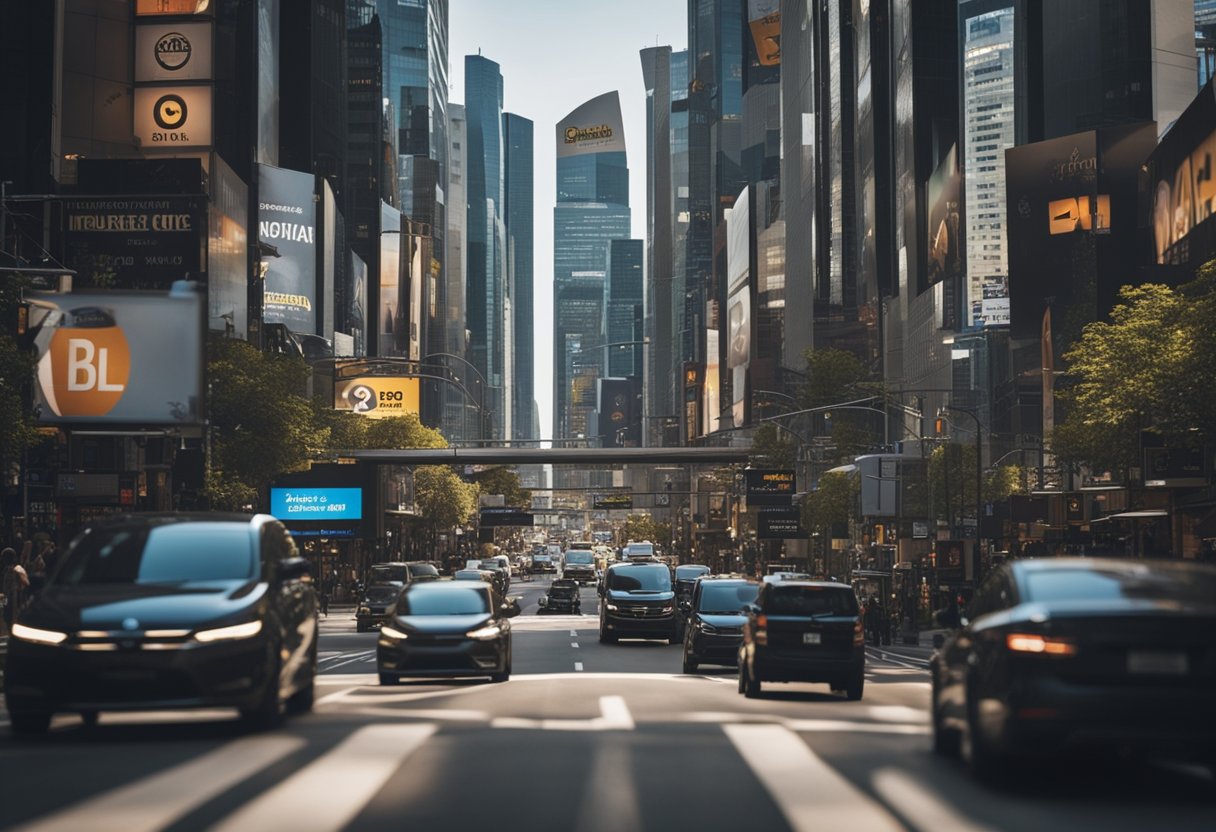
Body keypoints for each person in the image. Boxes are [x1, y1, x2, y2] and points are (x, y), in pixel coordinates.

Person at [2, 547, 30, 628]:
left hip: (15, 602)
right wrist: (2, 605)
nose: (3, 560)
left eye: (5, 558)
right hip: (8, 602)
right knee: (7, 619)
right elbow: (5, 590)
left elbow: (26, 584)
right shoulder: (6, 571)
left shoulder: (18, 569)